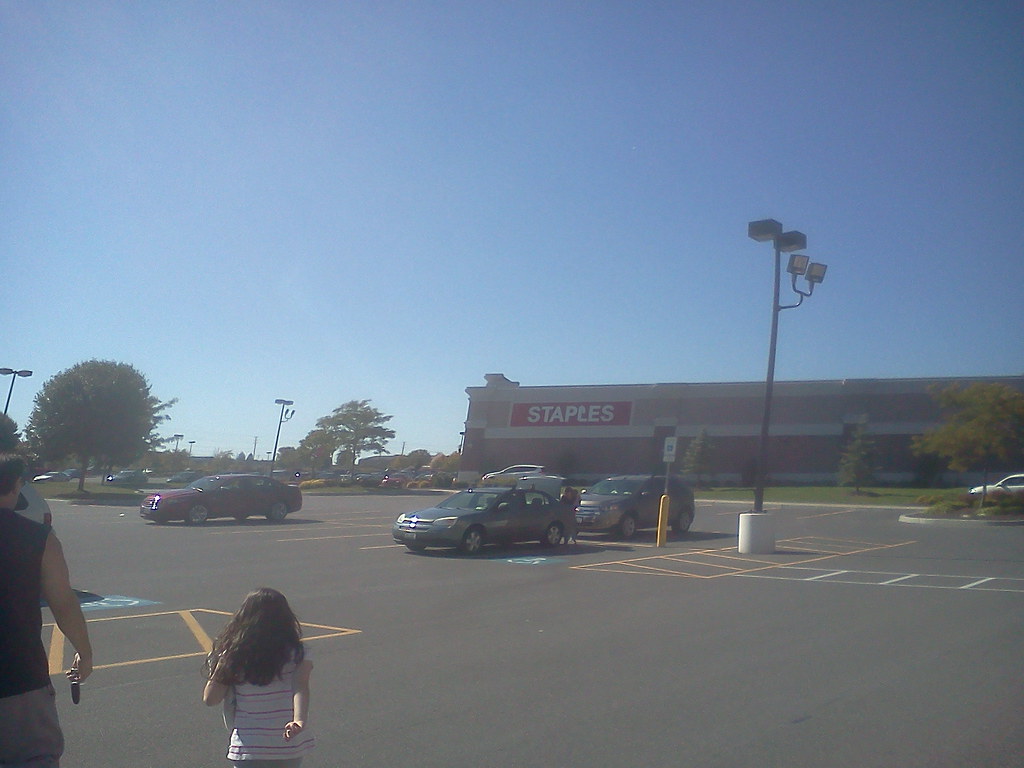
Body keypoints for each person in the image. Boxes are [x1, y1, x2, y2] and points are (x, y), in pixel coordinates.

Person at [0, 454, 93, 767]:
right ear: (14, 488)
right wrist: (85, 653)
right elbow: (64, 604)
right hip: (20, 679)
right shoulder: (39, 539)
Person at [203, 588, 316, 767]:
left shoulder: (233, 656)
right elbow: (300, 686)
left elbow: (211, 699)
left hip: (248, 746)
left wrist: (222, 661)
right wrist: (299, 720)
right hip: (287, 744)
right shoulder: (299, 653)